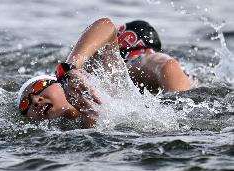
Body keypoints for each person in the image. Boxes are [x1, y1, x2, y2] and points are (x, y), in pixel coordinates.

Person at [16, 18, 191, 128]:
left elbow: (105, 25)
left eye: (38, 87)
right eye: (25, 105)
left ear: (58, 82)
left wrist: (69, 70)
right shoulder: (63, 134)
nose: (34, 100)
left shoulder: (100, 80)